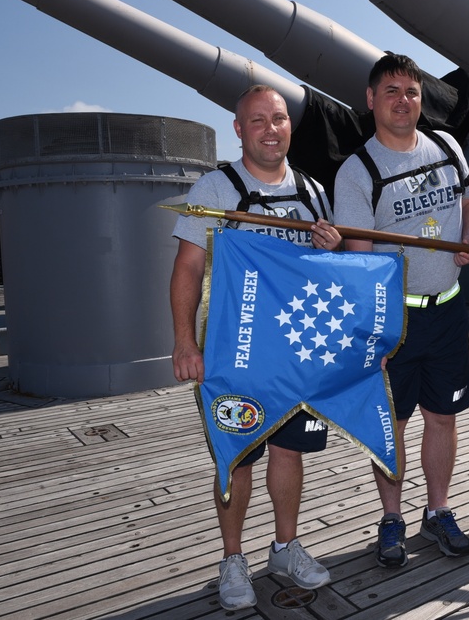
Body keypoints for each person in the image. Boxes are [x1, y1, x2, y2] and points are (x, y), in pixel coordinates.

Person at [170, 85, 341, 610]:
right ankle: (232, 557)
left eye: (280, 119)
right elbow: (187, 269)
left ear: (291, 126)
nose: (272, 129)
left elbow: (324, 277)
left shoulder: (313, 191)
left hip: (296, 354)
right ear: (239, 129)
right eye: (258, 120)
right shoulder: (216, 189)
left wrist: (329, 249)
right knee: (237, 459)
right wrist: (183, 341)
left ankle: (285, 548)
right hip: (233, 355)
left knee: (290, 453)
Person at [333, 53, 469, 567]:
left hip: (446, 310)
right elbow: (357, 260)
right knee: (392, 423)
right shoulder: (357, 171)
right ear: (371, 99)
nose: (404, 100)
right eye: (392, 90)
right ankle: (392, 517)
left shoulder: (446, 146)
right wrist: (371, 334)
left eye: (412, 91)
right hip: (392, 319)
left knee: (442, 417)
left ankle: (438, 510)